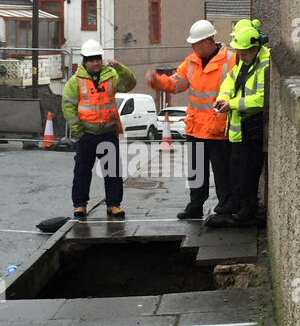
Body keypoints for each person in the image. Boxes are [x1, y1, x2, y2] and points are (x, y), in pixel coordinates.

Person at [146, 20, 236, 219]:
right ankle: (195, 205)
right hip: (196, 128)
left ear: (207, 41)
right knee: (196, 172)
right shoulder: (191, 61)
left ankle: (225, 207)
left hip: (218, 128)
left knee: (222, 173)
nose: (192, 47)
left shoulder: (231, 60)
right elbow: (175, 84)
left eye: (195, 43)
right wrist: (156, 81)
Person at [62, 39, 136, 218]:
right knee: (82, 171)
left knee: (112, 171)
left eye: (98, 58)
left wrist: (120, 68)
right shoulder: (75, 81)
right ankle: (79, 205)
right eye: (92, 59)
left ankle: (114, 205)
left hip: (107, 132)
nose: (96, 62)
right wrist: (78, 131)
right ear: (85, 61)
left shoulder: (111, 75)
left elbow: (130, 84)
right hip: (86, 134)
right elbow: (68, 106)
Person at [214, 21, 270, 222]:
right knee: (238, 172)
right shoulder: (245, 61)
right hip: (238, 129)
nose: (241, 57)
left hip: (251, 128)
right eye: (239, 53)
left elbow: (261, 98)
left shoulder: (265, 63)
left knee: (248, 173)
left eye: (244, 53)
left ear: (255, 48)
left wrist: (233, 104)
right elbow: (230, 80)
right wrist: (223, 97)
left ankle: (248, 209)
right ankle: (241, 206)